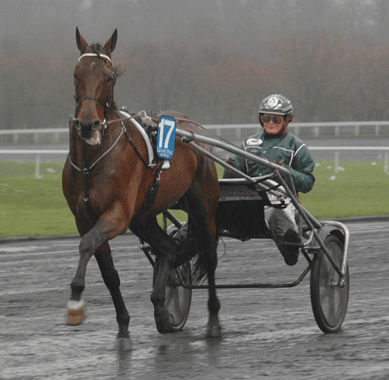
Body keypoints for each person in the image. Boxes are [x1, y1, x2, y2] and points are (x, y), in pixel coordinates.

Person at [223, 94, 315, 265]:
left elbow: (308, 182)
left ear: (287, 120)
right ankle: (179, 244)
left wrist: (286, 172)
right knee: (207, 210)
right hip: (247, 207)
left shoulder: (297, 146)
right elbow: (230, 182)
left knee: (275, 211)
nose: (270, 122)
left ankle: (290, 244)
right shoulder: (248, 144)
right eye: (266, 118)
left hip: (279, 203)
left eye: (275, 119)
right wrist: (231, 169)